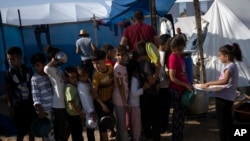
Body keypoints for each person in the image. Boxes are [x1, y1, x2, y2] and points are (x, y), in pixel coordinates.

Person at [200, 43, 242, 141]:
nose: (219, 57)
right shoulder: (232, 66)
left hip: (223, 99)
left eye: (220, 56)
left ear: (226, 56)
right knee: (227, 121)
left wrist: (209, 83)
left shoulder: (229, 67)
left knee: (223, 124)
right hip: (227, 98)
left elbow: (224, 81)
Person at [5, 46, 37, 141]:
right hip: (18, 107)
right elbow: (8, 90)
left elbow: (33, 85)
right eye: (8, 59)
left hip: (30, 105)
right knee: (20, 131)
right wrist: (10, 106)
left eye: (12, 59)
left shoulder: (28, 69)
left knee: (32, 128)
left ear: (20, 58)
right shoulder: (8, 73)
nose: (10, 61)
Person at [168, 35, 192, 141]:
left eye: (182, 49)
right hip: (176, 90)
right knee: (177, 116)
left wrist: (188, 84)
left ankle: (179, 135)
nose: (181, 51)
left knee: (181, 115)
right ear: (173, 48)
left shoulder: (180, 57)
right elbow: (172, 78)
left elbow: (183, 73)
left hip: (182, 89)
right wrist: (185, 84)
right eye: (179, 49)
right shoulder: (173, 58)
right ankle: (176, 137)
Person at [136, 41, 161, 141]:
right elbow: (151, 80)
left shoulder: (143, 62)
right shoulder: (145, 64)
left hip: (146, 95)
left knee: (147, 118)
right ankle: (154, 137)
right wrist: (158, 68)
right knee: (154, 119)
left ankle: (150, 135)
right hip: (150, 95)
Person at [44, 45, 67, 141]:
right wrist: (53, 62)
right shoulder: (51, 69)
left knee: (63, 128)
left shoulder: (58, 69)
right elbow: (46, 68)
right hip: (58, 104)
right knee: (60, 129)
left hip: (63, 102)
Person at [91, 49, 114, 141]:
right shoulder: (96, 76)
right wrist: (102, 105)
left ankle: (111, 133)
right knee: (103, 125)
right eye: (93, 63)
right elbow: (94, 93)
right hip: (101, 103)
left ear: (105, 60)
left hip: (109, 100)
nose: (96, 66)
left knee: (110, 121)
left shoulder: (111, 68)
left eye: (98, 63)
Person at [30, 52, 54, 141]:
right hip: (45, 110)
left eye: (38, 65)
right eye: (34, 66)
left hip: (53, 107)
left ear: (44, 64)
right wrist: (40, 111)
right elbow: (35, 96)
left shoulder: (50, 74)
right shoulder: (35, 79)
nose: (36, 68)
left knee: (53, 131)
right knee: (46, 131)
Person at [127, 56, 150, 141]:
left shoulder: (130, 78)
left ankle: (134, 138)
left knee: (133, 124)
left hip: (132, 104)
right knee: (136, 125)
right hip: (135, 105)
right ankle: (136, 139)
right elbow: (134, 93)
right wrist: (144, 88)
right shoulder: (134, 80)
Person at [112, 45, 129, 141]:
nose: (121, 57)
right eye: (118, 55)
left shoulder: (124, 66)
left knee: (120, 124)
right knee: (122, 125)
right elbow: (120, 86)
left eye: (123, 54)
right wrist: (125, 102)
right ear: (115, 55)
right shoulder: (117, 68)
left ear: (126, 55)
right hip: (119, 99)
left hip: (123, 98)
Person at [64, 66, 85, 141]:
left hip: (75, 114)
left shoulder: (74, 86)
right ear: (67, 78)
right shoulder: (69, 88)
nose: (75, 79)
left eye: (76, 77)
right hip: (73, 115)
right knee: (77, 134)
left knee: (78, 133)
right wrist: (80, 114)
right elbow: (72, 103)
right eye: (72, 77)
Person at [77, 64, 97, 141]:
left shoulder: (87, 83)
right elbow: (84, 100)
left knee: (91, 129)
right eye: (80, 76)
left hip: (91, 108)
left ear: (88, 74)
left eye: (83, 76)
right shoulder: (81, 86)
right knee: (90, 129)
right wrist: (91, 112)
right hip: (88, 110)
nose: (82, 78)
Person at [158, 34, 172, 133]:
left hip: (160, 84)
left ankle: (163, 126)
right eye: (168, 43)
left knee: (162, 108)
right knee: (164, 108)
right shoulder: (164, 55)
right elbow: (166, 72)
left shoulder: (157, 54)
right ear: (163, 44)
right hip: (164, 85)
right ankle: (164, 126)